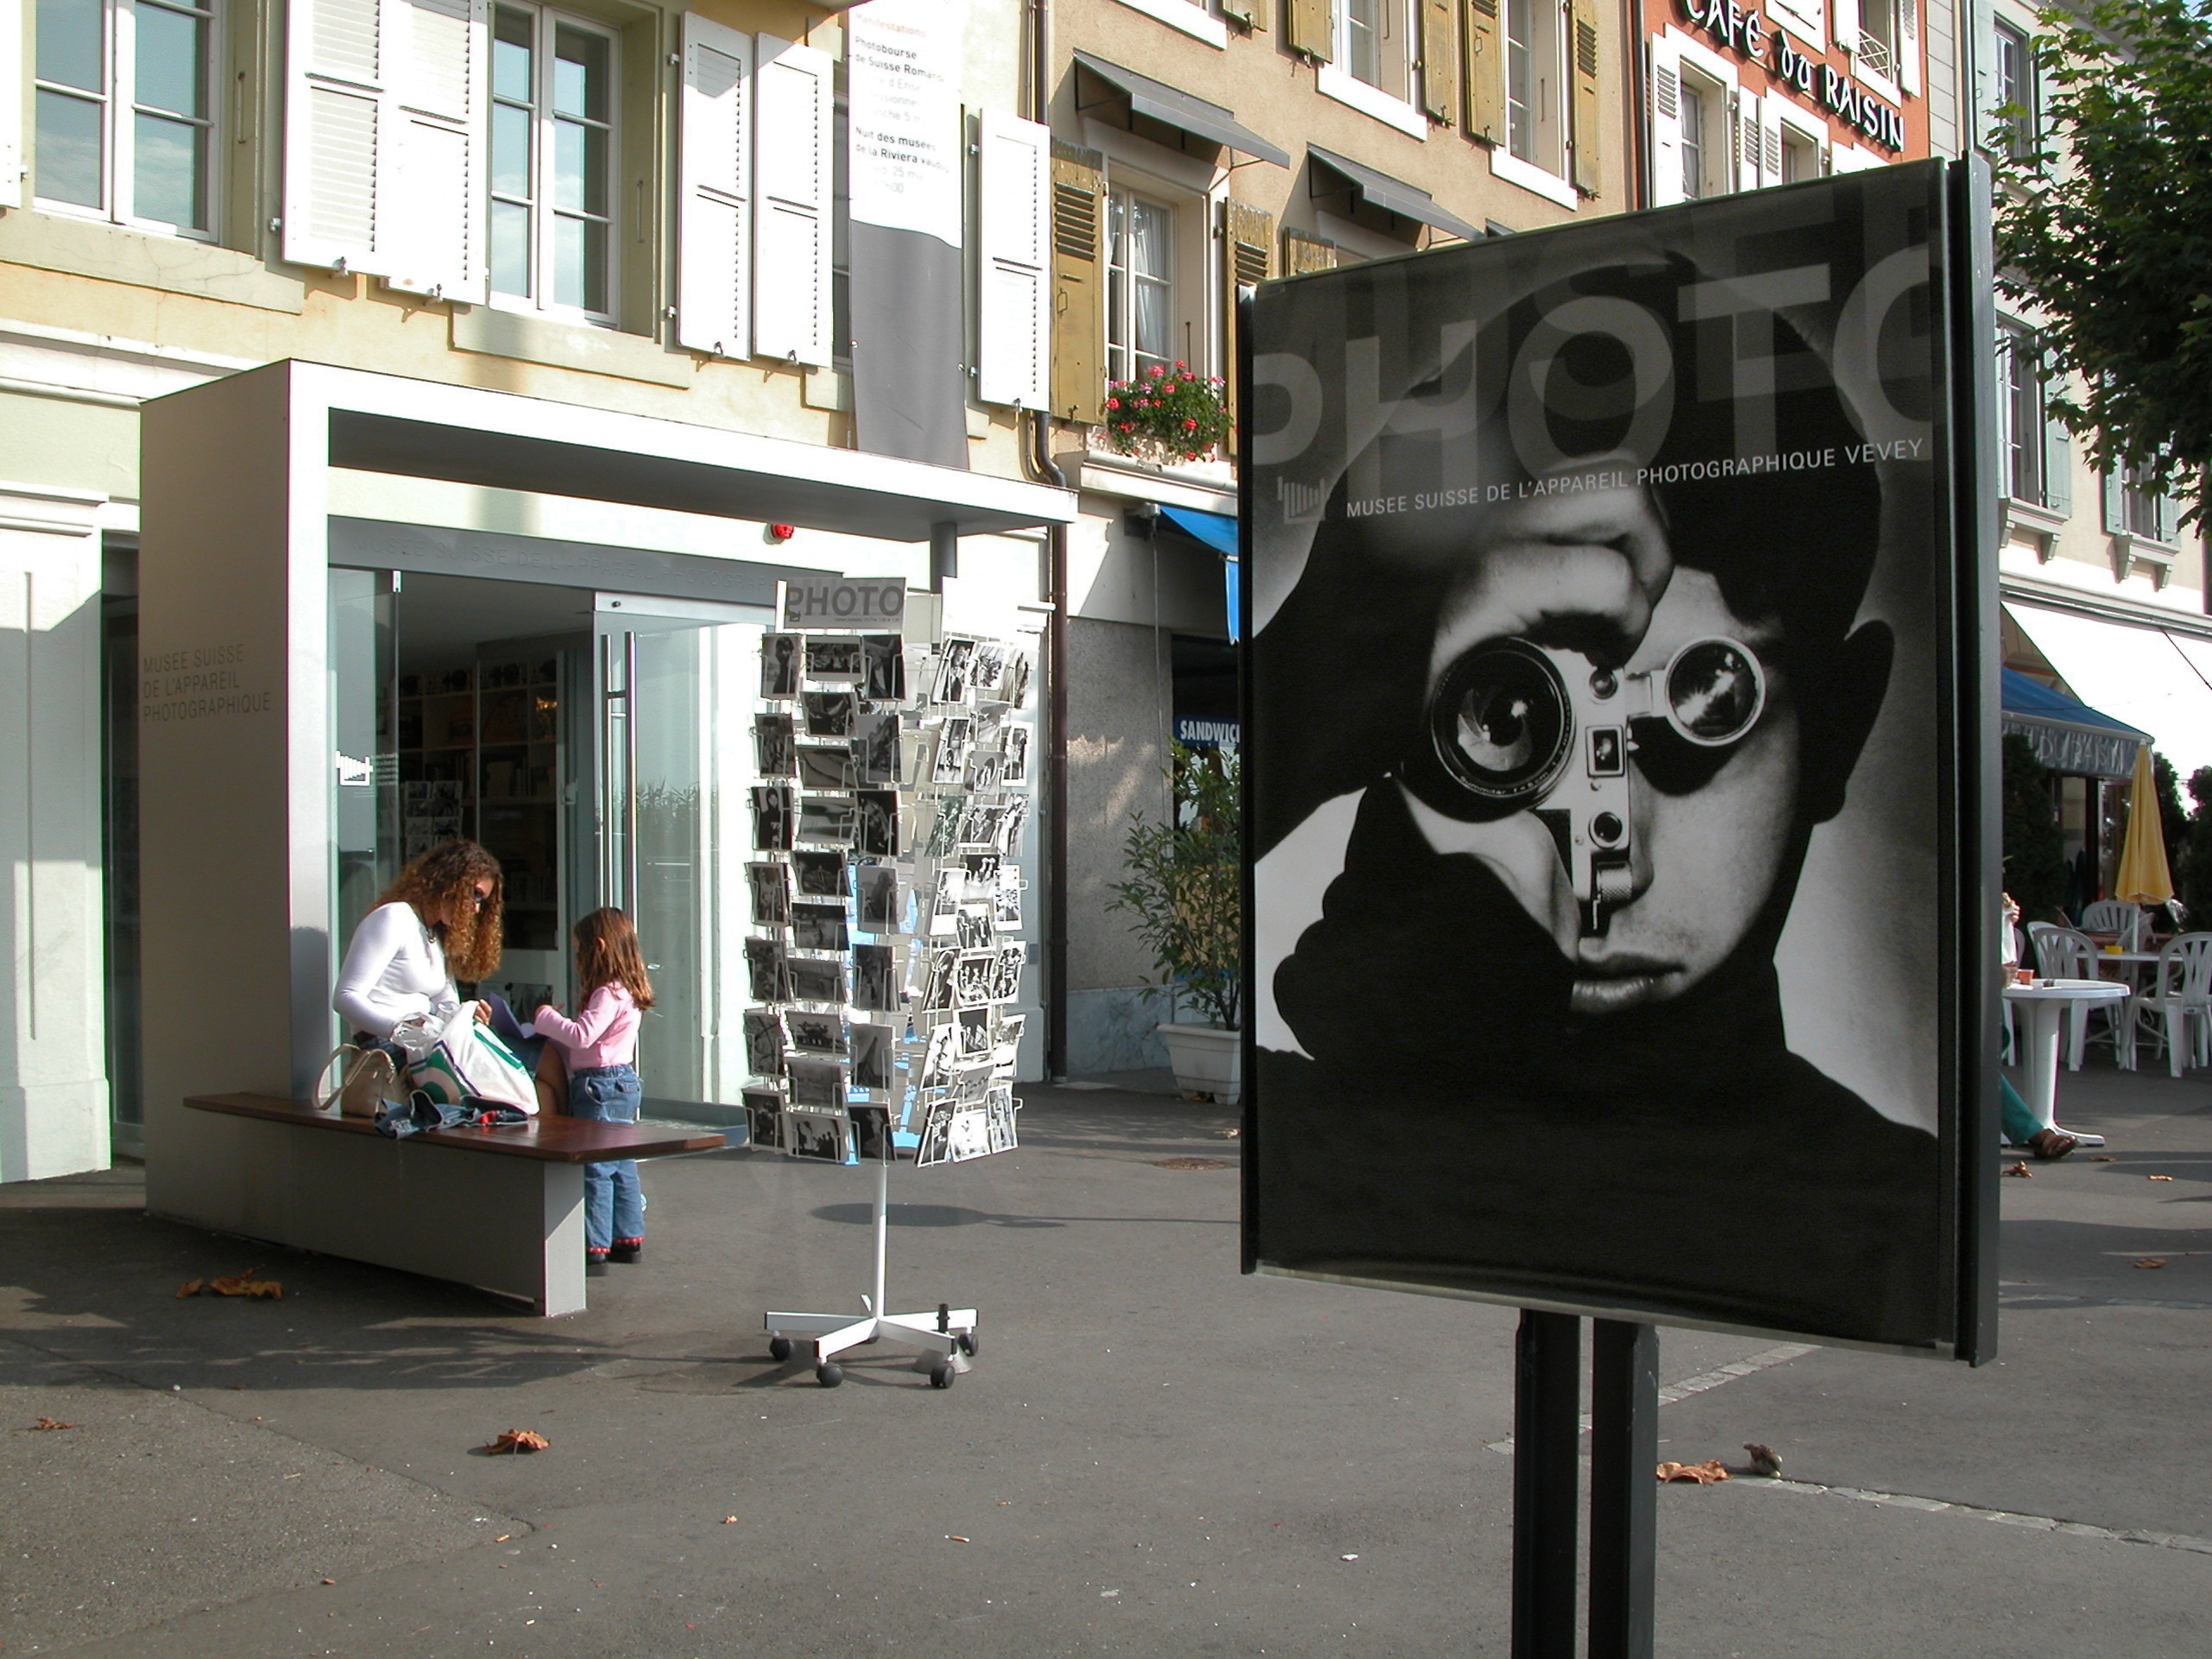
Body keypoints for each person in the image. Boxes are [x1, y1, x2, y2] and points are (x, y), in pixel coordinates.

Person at [1252, 246, 1947, 1347]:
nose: (1603, 860)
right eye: (1512, 719)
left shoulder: (1898, 1217)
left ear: (1842, 724)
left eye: (1707, 702)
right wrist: (1325, 667)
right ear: (1391, 711)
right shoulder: (1310, 1140)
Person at [333, 840, 546, 1084]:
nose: (477, 909)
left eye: (482, 901)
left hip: (426, 1045)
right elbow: (345, 996)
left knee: (538, 1069)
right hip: (387, 1047)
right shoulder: (394, 917)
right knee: (507, 1084)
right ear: (449, 882)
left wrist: (466, 1014)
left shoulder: (436, 934)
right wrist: (402, 1031)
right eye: (475, 894)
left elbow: (446, 1002)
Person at [534, 908, 653, 1267]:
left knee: (595, 1166)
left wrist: (545, 1017)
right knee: (621, 1162)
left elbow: (582, 1035)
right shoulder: (629, 990)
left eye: (578, 950)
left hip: (598, 1086)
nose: (576, 959)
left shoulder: (607, 992)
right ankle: (627, 1236)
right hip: (622, 1080)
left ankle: (594, 1243)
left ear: (597, 947)